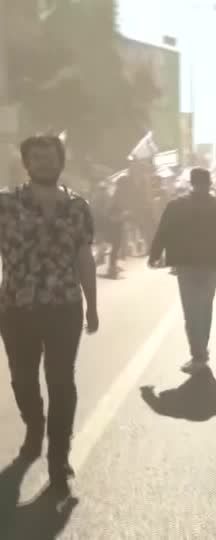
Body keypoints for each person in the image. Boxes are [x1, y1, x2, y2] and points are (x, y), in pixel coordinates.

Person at [0, 135, 99, 493]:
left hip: (64, 307)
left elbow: (84, 258)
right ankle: (34, 427)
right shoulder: (6, 204)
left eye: (50, 156)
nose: (44, 162)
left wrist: (93, 305)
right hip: (16, 308)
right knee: (22, 379)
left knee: (61, 382)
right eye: (37, 157)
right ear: (26, 163)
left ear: (61, 161)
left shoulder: (77, 207)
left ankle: (59, 456)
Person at [149, 168, 216, 374]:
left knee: (191, 311)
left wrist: (154, 255)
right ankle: (201, 351)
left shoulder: (176, 206)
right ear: (210, 184)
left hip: (186, 265)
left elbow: (162, 232)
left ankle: (197, 355)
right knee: (205, 308)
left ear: (191, 183)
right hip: (211, 265)